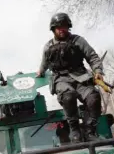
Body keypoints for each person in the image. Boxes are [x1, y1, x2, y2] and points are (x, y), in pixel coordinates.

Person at [35, 12, 104, 143]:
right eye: (58, 27)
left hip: (81, 77)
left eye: (64, 26)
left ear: (68, 27)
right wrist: (40, 72)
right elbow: (44, 64)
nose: (62, 29)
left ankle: (90, 130)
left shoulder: (78, 41)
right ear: (53, 29)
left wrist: (98, 71)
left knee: (93, 98)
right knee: (68, 97)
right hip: (61, 79)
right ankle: (75, 130)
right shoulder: (48, 47)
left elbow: (92, 57)